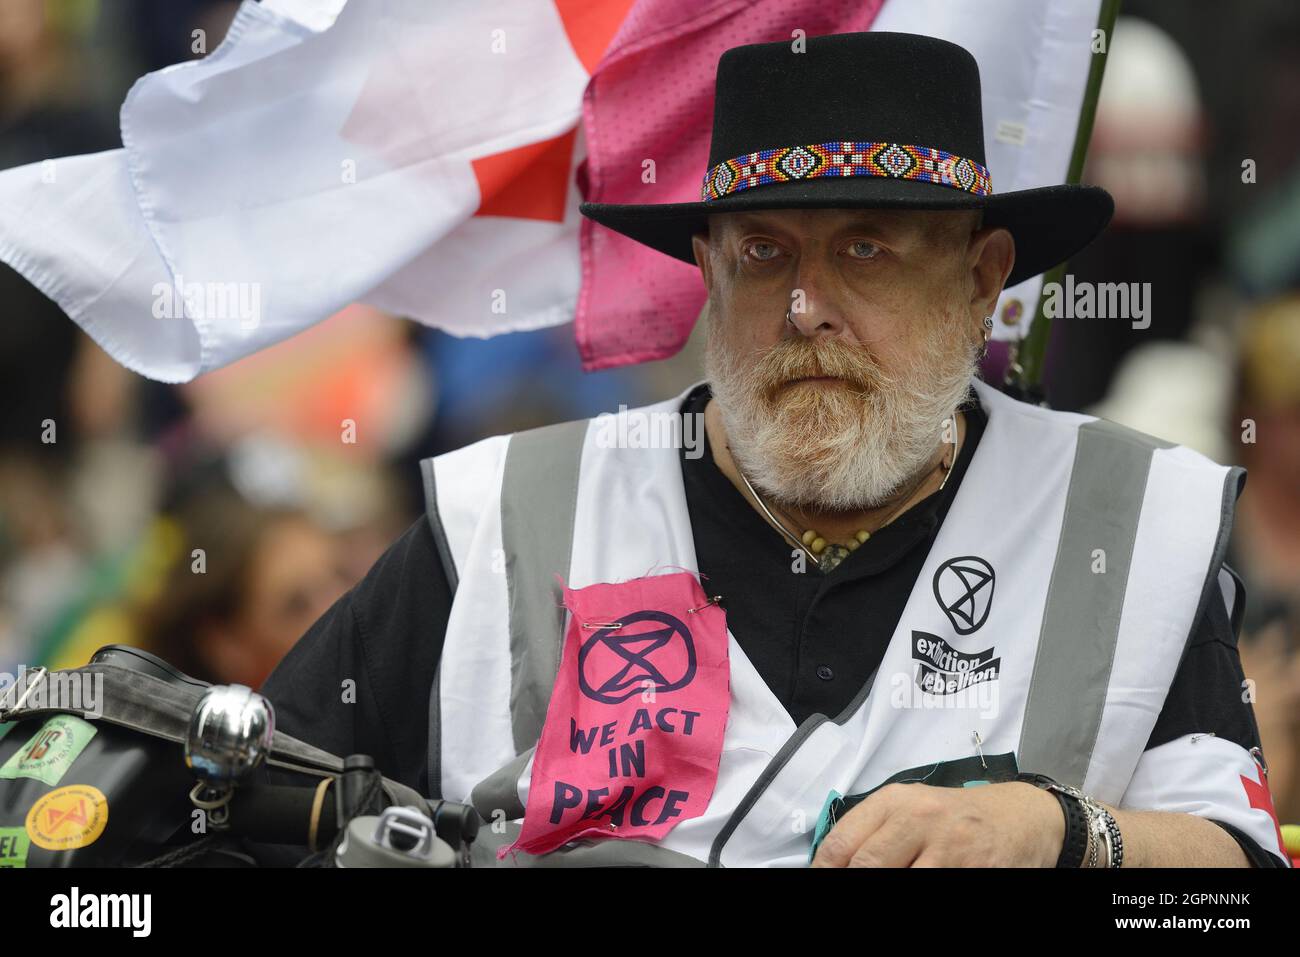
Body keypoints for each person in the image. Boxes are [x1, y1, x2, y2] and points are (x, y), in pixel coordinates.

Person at [262, 32, 1289, 867]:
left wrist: (1064, 834)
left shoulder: (1127, 518)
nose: (806, 310)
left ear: (980, 278)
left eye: (865, 250)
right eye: (764, 256)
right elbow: (239, 815)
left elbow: (1229, 881)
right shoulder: (506, 516)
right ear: (706, 271)